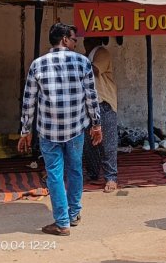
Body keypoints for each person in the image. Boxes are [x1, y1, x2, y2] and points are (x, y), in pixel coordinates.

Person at [17, 23, 102, 237]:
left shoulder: (38, 64)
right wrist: (97, 124)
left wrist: (25, 131)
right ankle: (73, 214)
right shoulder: (83, 62)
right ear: (64, 39)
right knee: (75, 170)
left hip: (49, 132)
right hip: (75, 129)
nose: (75, 43)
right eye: (74, 39)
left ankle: (62, 222)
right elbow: (91, 98)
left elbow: (29, 101)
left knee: (54, 174)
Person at [82, 36, 119, 193]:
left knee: (107, 142)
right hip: (88, 104)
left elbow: (94, 70)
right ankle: (92, 173)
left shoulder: (102, 53)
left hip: (104, 103)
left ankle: (111, 177)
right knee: (89, 143)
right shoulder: (85, 57)